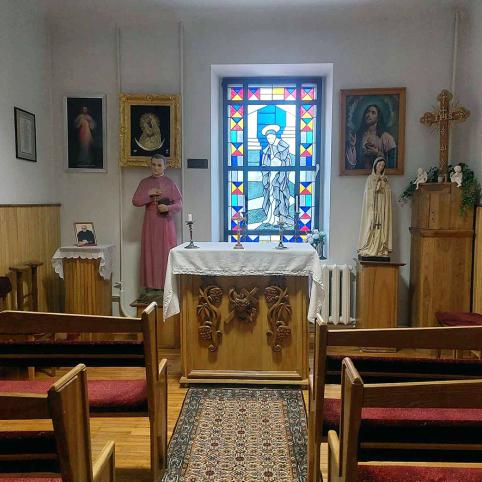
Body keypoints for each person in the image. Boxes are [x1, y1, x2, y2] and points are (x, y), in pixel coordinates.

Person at [132, 154, 182, 298]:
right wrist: (149, 194)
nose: (156, 168)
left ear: (165, 166)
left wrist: (168, 208)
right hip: (150, 224)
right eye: (153, 165)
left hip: (166, 224)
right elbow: (136, 201)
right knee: (150, 252)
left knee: (165, 253)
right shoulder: (144, 183)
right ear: (150, 165)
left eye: (159, 165)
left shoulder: (170, 183)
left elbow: (179, 204)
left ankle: (165, 288)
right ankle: (150, 287)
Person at [357, 157, 392, 259]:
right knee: (371, 224)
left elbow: (388, 193)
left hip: (382, 206)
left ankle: (381, 248)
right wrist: (376, 188)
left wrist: (383, 186)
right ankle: (369, 247)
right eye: (379, 165)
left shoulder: (385, 179)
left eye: (383, 166)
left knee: (381, 225)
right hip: (373, 207)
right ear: (375, 165)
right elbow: (368, 193)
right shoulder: (370, 178)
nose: (381, 167)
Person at [346, 104, 397, 170]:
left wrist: (377, 153)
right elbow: (350, 167)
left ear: (378, 118)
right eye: (367, 112)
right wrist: (352, 146)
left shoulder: (387, 138)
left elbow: (392, 165)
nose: (369, 115)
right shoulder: (357, 136)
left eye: (373, 113)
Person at [261, 124, 292, 226]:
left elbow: (284, 159)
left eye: (271, 138)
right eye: (268, 138)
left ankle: (277, 218)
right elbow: (266, 161)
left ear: (275, 136)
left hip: (279, 175)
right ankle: (270, 217)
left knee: (278, 196)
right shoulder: (269, 148)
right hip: (271, 174)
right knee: (270, 196)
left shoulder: (282, 145)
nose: (269, 140)